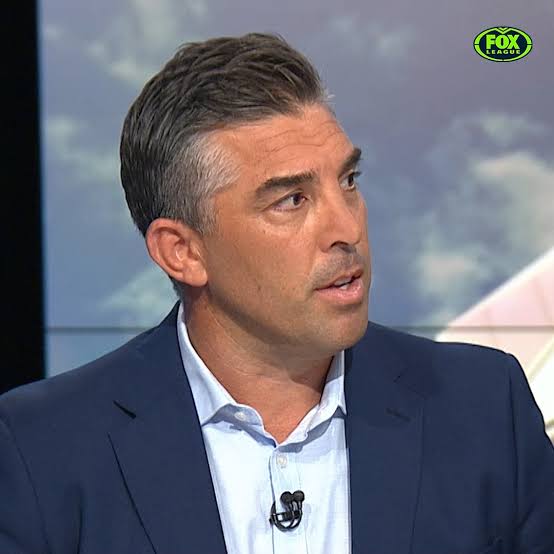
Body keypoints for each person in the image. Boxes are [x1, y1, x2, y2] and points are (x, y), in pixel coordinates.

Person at [1, 32, 553, 554]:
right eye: (292, 200)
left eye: (348, 181)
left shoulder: (484, 408)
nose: (347, 228)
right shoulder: (41, 448)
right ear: (182, 252)